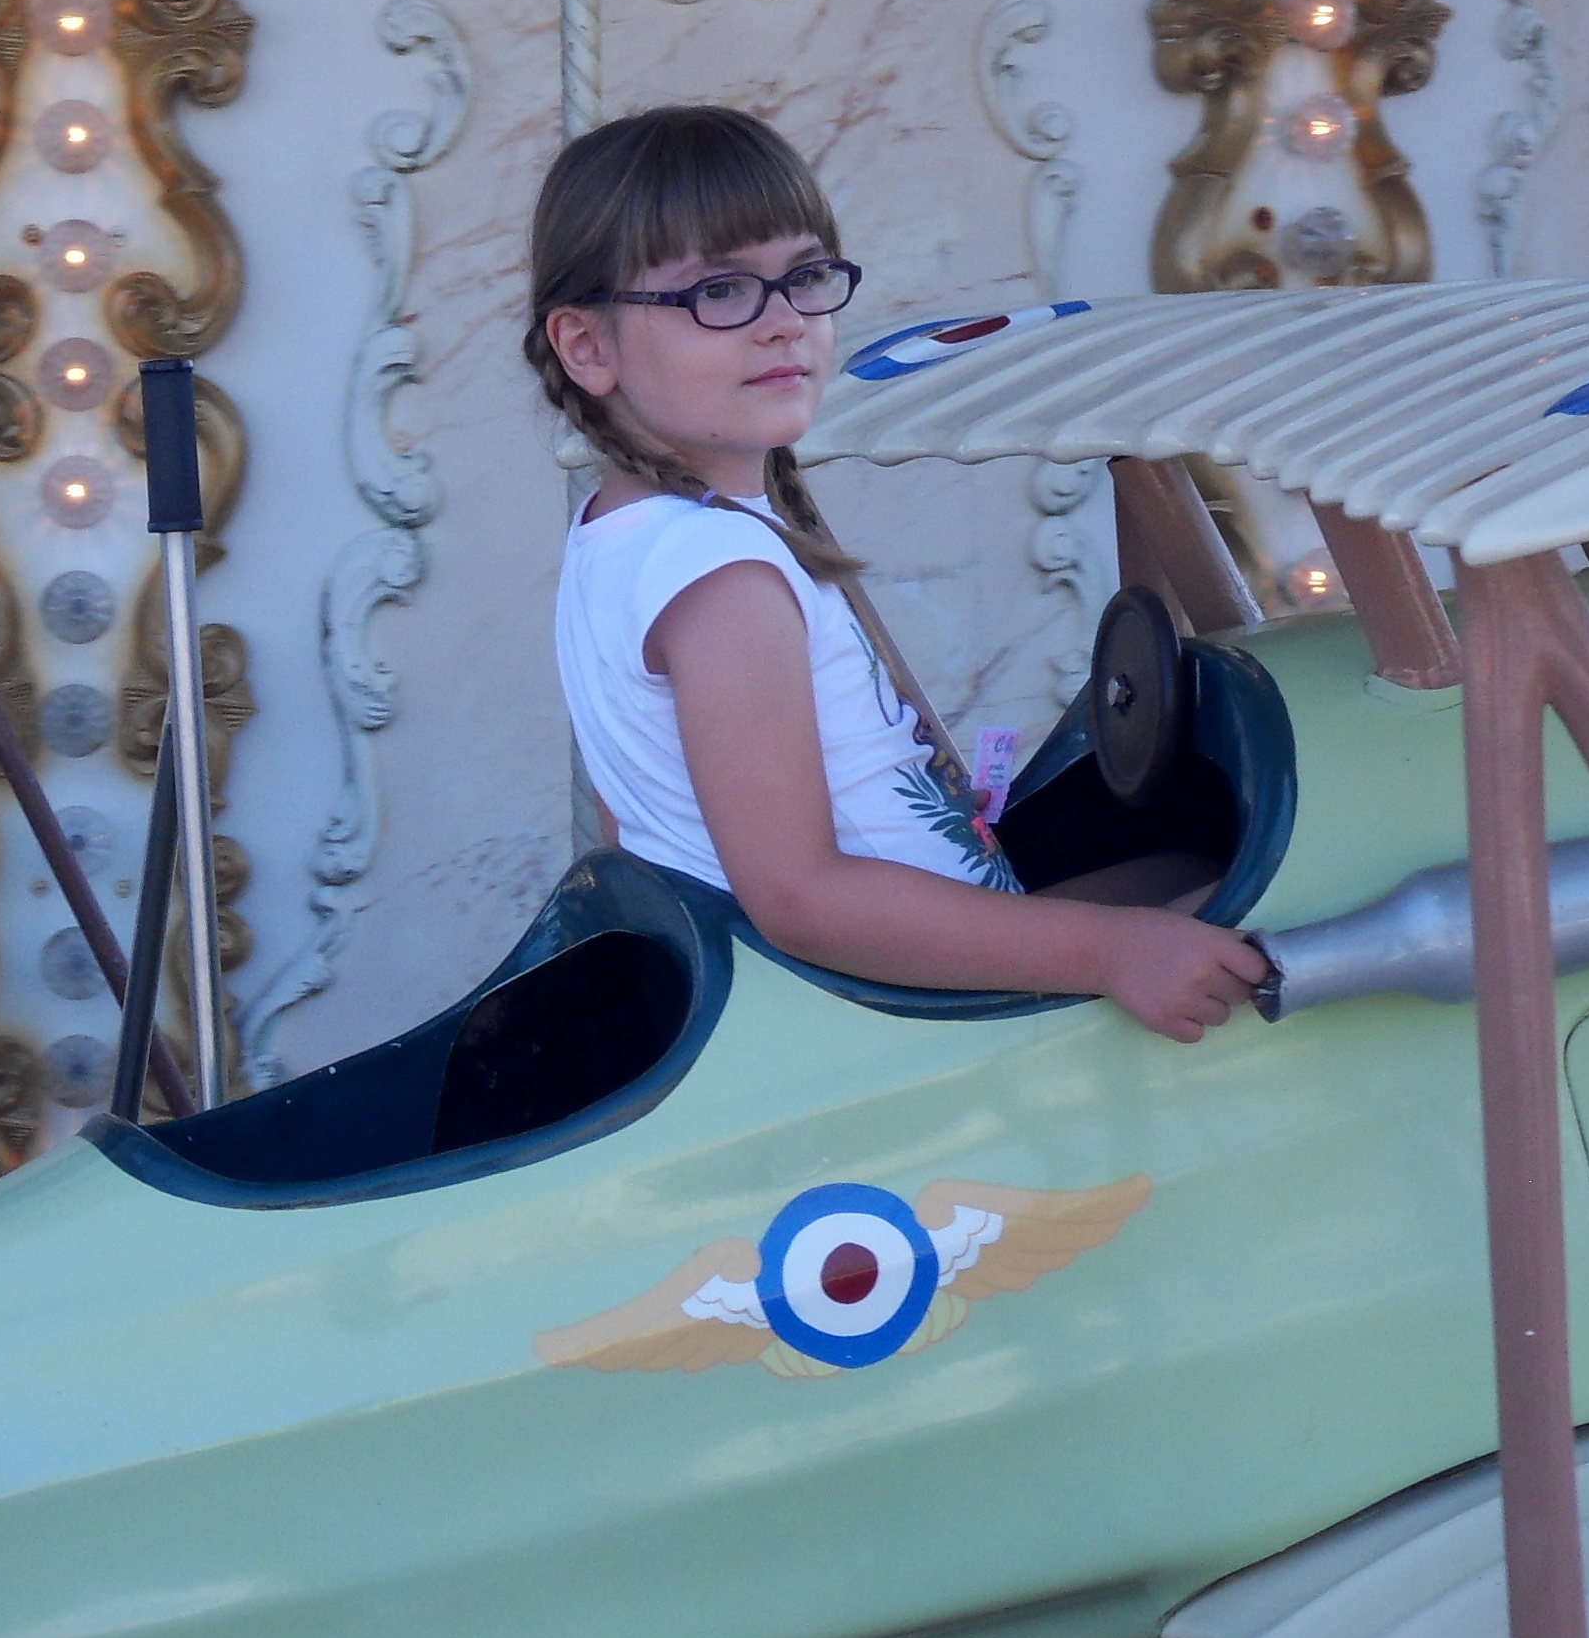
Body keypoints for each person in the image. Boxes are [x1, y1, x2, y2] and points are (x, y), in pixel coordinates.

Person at [525, 105, 1269, 1042]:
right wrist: (1107, 952)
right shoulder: (721, 580)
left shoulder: (620, 538)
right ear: (587, 347)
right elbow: (800, 898)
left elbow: (636, 818)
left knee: (1182, 869)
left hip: (868, 976)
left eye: (804, 278)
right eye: (720, 292)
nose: (784, 324)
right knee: (1263, 910)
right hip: (899, 1014)